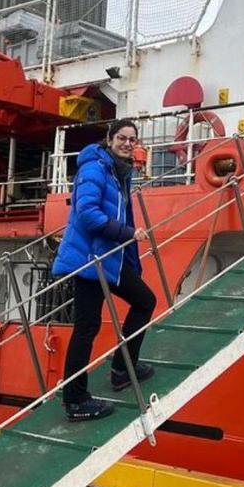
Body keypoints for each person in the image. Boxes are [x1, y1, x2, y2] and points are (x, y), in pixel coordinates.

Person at [52, 119, 158, 422]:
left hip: (108, 258)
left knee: (144, 301)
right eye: (122, 138)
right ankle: (75, 401)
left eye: (132, 139)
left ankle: (123, 369)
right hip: (88, 261)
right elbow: (86, 215)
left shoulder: (117, 170)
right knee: (86, 327)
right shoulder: (94, 168)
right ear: (109, 139)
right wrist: (127, 233)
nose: (127, 143)